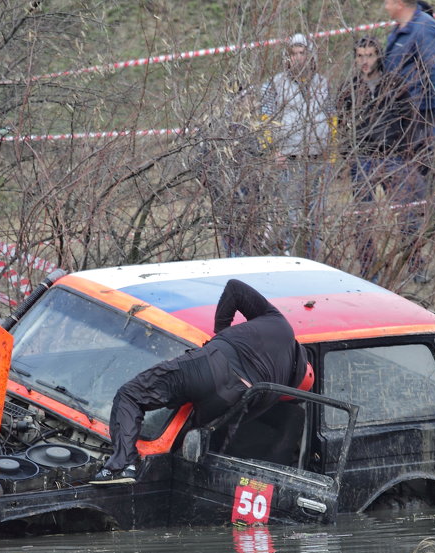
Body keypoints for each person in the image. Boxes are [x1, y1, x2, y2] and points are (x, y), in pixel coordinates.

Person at [92, 279, 309, 485]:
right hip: (229, 399)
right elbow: (243, 414)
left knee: (131, 395)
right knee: (197, 449)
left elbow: (235, 289)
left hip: (208, 366)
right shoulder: (277, 386)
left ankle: (121, 466)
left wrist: (221, 334)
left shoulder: (281, 325)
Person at [335, 36, 425, 279]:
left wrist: (406, 152)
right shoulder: (349, 90)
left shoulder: (395, 85)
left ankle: (415, 265)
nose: (365, 61)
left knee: (406, 213)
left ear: (379, 57)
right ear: (354, 59)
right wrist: (348, 156)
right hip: (362, 159)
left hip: (393, 157)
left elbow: (411, 120)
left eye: (370, 55)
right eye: (360, 56)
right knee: (363, 218)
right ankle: (369, 270)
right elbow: (341, 127)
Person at [260, 33, 334, 260]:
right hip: (288, 161)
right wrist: (271, 151)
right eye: (294, 53)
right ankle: (293, 260)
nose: (299, 58)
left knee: (315, 217)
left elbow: (333, 119)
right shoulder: (274, 84)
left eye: (303, 53)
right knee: (292, 218)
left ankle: (314, 261)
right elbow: (265, 120)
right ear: (287, 57)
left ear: (311, 56)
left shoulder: (323, 84)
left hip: (317, 160)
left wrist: (330, 157)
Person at [191, 86, 270, 258]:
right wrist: (213, 184)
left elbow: (261, 158)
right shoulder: (217, 128)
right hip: (226, 194)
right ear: (238, 101)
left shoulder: (253, 128)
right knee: (231, 236)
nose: (254, 103)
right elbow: (200, 161)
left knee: (252, 238)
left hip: (251, 196)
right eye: (249, 98)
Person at [382, 0, 435, 172]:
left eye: (387, 2)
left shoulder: (424, 27)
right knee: (404, 173)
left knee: (423, 171)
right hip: (399, 114)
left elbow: (434, 68)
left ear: (399, 4)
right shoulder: (398, 30)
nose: (385, 6)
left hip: (420, 113)